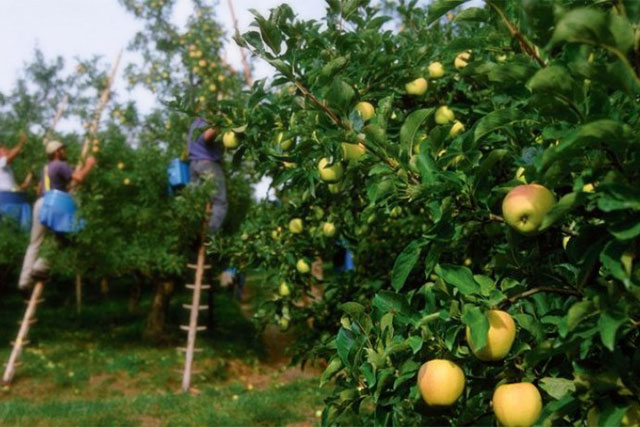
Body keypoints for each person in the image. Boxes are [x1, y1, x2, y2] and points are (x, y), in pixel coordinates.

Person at [18, 140, 96, 291]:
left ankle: (24, 281)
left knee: (34, 243)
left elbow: (40, 190)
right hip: (55, 203)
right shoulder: (61, 164)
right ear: (56, 153)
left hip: (41, 203)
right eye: (62, 149)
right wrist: (89, 165)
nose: (65, 151)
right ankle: (40, 266)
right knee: (65, 238)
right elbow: (79, 178)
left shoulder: (46, 168)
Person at [187, 117, 228, 234]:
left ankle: (192, 235)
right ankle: (209, 236)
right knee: (220, 202)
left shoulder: (194, 124)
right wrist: (220, 125)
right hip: (208, 164)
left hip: (193, 165)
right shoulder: (206, 124)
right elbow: (207, 137)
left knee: (197, 203)